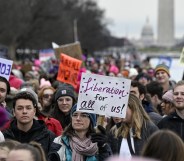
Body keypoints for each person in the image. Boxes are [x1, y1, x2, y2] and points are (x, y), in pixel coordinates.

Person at [2, 90, 56, 155]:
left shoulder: (48, 136)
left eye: (28, 108)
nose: (24, 111)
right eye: (20, 108)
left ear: (34, 111)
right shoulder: (5, 136)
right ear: (13, 112)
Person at [108, 94, 158, 158]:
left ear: (133, 108)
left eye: (122, 108)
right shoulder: (115, 130)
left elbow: (158, 155)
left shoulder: (149, 128)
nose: (119, 111)